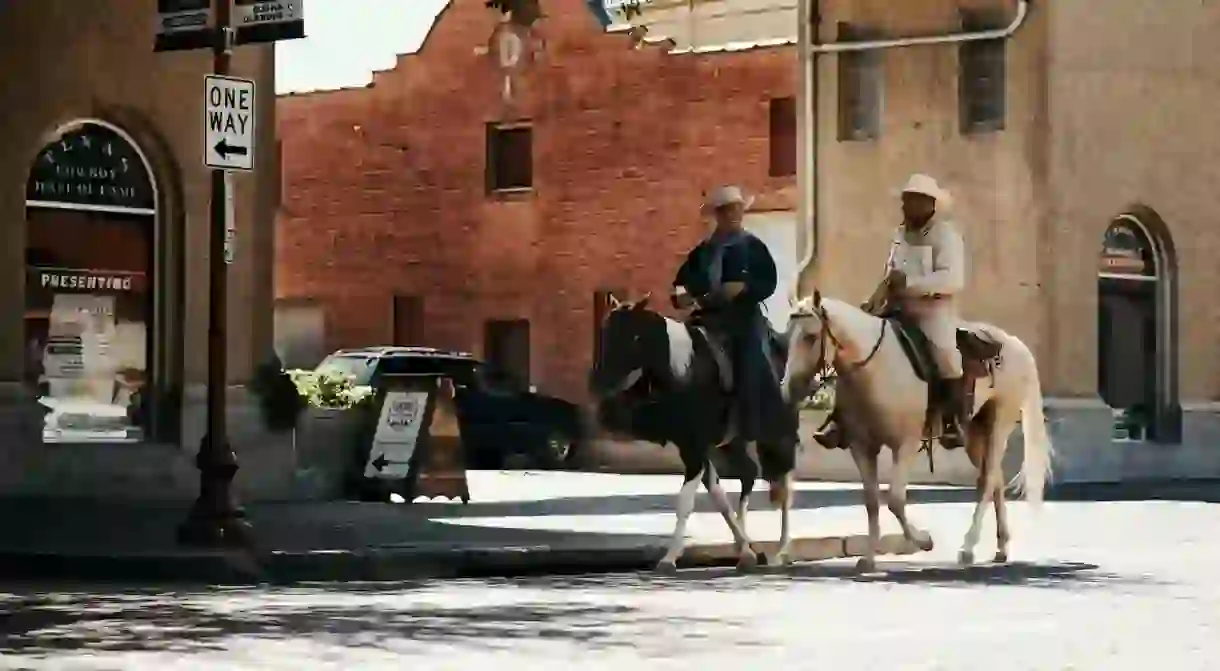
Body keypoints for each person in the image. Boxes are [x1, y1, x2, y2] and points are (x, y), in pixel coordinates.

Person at [813, 173, 968, 449]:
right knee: (854, 348)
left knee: (946, 355)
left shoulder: (947, 236)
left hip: (933, 313)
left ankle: (951, 421)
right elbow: (890, 274)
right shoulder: (899, 235)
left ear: (928, 203)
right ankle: (840, 419)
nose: (906, 207)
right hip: (896, 309)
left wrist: (910, 284)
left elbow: (953, 279)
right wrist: (872, 301)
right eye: (905, 201)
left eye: (912, 201)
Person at [670, 185, 793, 445]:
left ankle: (762, 424)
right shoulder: (702, 251)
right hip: (706, 316)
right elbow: (680, 283)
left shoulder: (753, 246)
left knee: (754, 358)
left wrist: (745, 289)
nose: (733, 215)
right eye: (727, 211)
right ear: (718, 214)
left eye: (737, 210)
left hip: (743, 318)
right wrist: (681, 296)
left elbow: (769, 281)